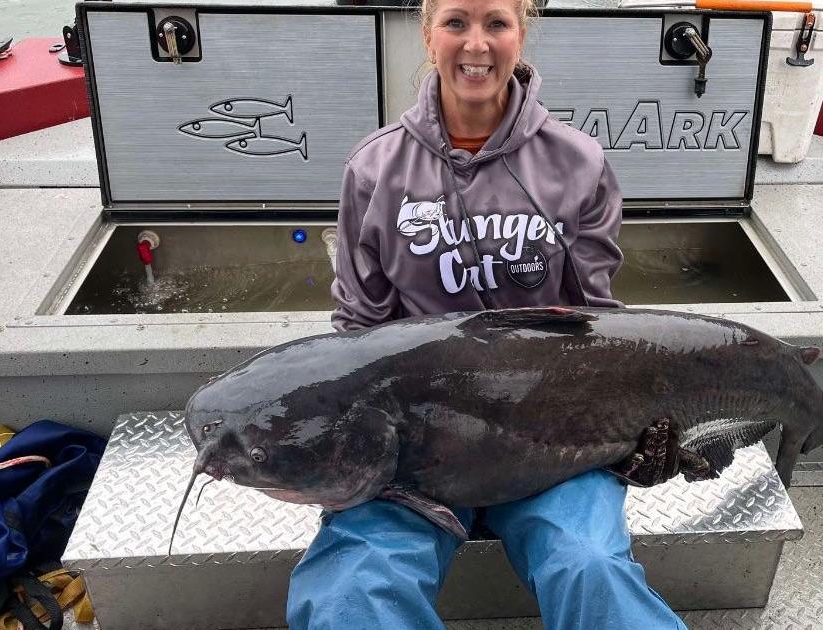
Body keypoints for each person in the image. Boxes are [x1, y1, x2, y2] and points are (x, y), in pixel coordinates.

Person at [286, 0, 689, 627]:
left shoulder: (578, 162)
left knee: (591, 566)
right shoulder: (374, 168)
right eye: (456, 23)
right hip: (411, 454)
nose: (476, 44)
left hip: (551, 440)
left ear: (520, 35)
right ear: (428, 35)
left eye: (496, 23)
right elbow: (359, 334)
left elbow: (599, 327)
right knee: (349, 593)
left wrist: (631, 430)